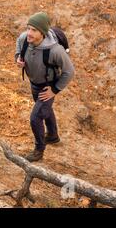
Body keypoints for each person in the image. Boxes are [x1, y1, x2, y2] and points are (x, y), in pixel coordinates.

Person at [15, 12, 75, 162]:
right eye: (28, 28)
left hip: (47, 86)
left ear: (42, 33)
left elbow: (69, 71)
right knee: (44, 109)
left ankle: (39, 149)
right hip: (34, 83)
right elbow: (18, 46)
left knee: (35, 118)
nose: (29, 33)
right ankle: (53, 135)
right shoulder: (24, 39)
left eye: (34, 30)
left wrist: (54, 90)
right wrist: (18, 58)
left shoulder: (55, 50)